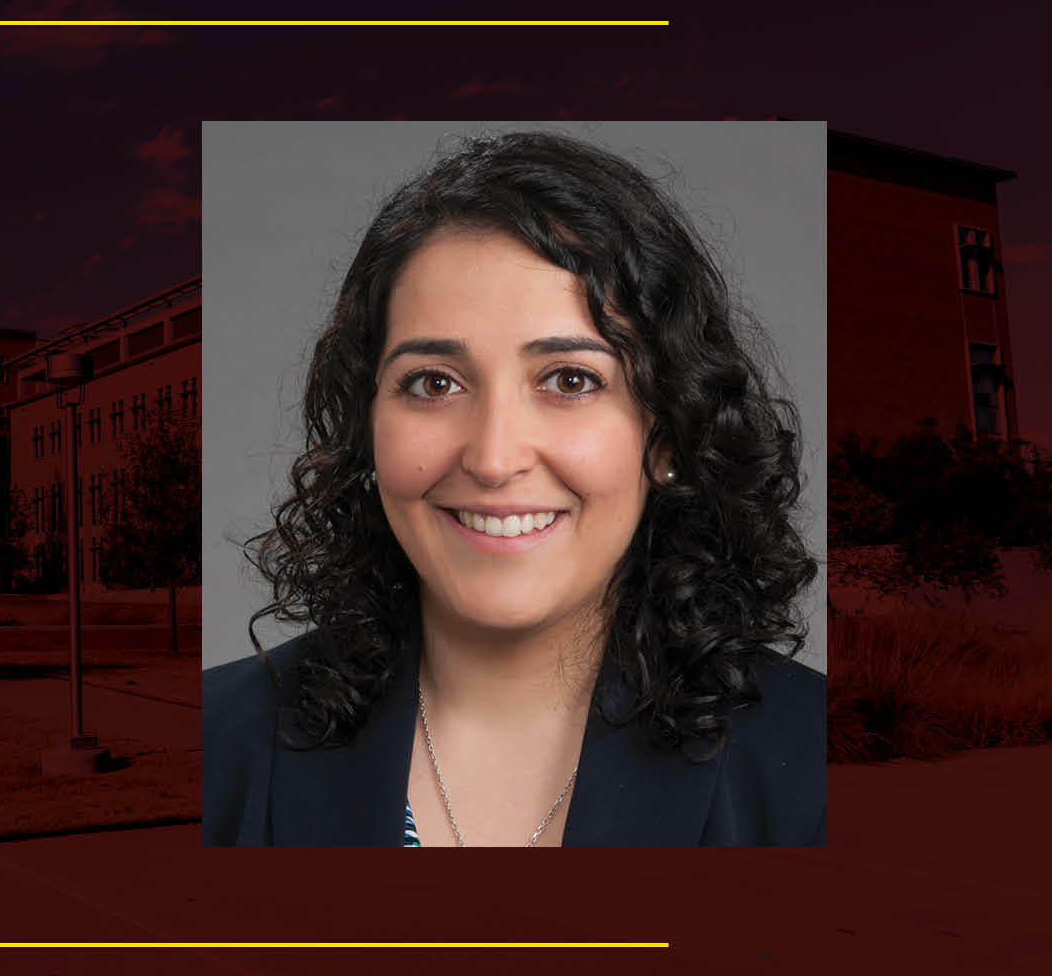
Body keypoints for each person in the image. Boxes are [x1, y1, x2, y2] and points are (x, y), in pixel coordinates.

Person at [204, 131, 823, 847]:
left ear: (668, 434)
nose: (494, 459)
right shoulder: (219, 746)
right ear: (366, 426)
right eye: (434, 383)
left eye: (570, 380)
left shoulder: (813, 767)